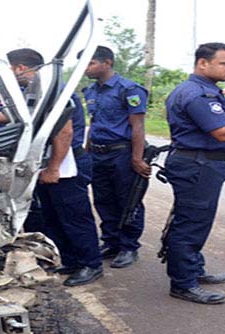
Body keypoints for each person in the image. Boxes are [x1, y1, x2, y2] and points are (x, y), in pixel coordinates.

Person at [164, 42, 225, 304]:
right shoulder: (197, 94)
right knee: (191, 223)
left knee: (195, 219)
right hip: (198, 165)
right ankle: (183, 284)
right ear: (203, 63)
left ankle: (192, 270)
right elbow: (223, 133)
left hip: (201, 163)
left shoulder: (202, 90)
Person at [82, 46, 150, 269]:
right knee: (103, 200)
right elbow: (94, 123)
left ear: (107, 62)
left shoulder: (129, 89)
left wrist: (137, 159)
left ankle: (129, 246)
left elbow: (137, 125)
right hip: (98, 154)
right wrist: (87, 150)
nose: (85, 68)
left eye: (90, 62)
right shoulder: (91, 91)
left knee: (127, 201)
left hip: (122, 153)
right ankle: (111, 242)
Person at [36, 92, 103, 286]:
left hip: (65, 163)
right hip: (49, 161)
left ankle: (91, 264)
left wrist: (54, 168)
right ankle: (71, 260)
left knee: (75, 217)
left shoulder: (57, 93)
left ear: (22, 68)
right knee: (53, 216)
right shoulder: (41, 91)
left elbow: (65, 132)